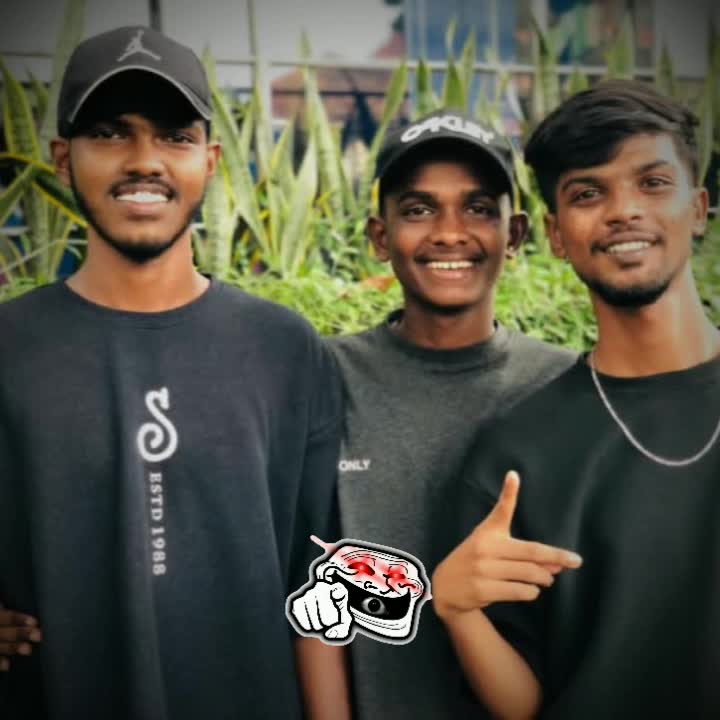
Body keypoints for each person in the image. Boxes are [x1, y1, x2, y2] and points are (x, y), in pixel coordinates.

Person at [0, 26, 349, 719]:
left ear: (210, 161)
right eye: (110, 133)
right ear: (63, 159)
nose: (143, 161)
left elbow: (317, 582)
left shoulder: (284, 349)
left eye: (174, 136)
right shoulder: (9, 347)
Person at [433, 80, 720, 719]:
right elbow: (524, 704)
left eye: (653, 183)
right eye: (588, 193)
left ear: (699, 208)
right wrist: (457, 608)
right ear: (557, 235)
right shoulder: (516, 456)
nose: (624, 211)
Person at [326, 110, 576, 719]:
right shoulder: (325, 378)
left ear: (515, 235)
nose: (449, 233)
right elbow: (297, 577)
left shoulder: (565, 387)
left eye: (478, 208)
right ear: (379, 236)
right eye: (418, 209)